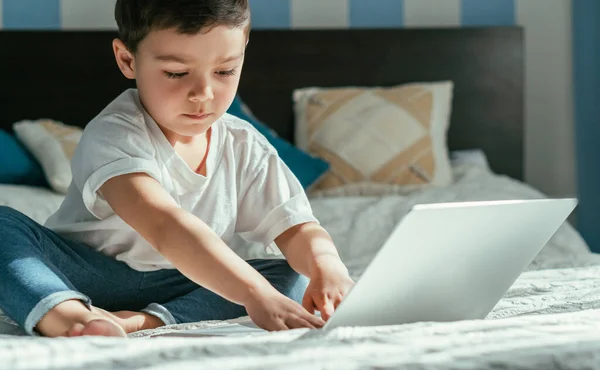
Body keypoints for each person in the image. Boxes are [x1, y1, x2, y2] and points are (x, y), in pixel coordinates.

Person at [0, 0, 354, 338]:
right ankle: (69, 317)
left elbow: (297, 228)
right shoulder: (115, 132)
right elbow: (163, 224)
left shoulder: (246, 145)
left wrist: (327, 266)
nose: (203, 92)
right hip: (86, 272)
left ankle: (143, 322)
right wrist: (252, 293)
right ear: (127, 59)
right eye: (176, 73)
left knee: (291, 275)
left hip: (187, 279)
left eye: (225, 71)